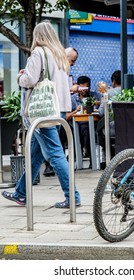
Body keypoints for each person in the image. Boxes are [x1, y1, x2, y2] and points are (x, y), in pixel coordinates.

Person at [1, 20, 81, 208]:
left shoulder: (39, 52)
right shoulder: (60, 55)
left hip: (43, 111)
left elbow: (29, 80)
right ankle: (21, 193)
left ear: (38, 35)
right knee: (36, 155)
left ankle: (73, 196)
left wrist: (20, 76)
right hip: (58, 108)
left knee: (55, 154)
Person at [43, 46, 79, 177]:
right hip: (56, 109)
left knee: (56, 142)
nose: (73, 63)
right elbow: (57, 88)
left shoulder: (63, 68)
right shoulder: (57, 66)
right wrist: (71, 89)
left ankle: (22, 190)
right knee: (55, 144)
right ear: (66, 56)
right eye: (73, 60)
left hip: (60, 109)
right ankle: (61, 171)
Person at [66, 75, 102, 168]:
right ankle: (84, 158)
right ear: (78, 87)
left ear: (89, 87)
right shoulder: (73, 99)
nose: (84, 90)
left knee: (87, 131)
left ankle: (89, 159)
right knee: (84, 130)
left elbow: (104, 102)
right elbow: (66, 117)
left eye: (86, 87)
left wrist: (97, 103)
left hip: (94, 123)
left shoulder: (95, 95)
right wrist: (76, 110)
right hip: (77, 124)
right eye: (82, 87)